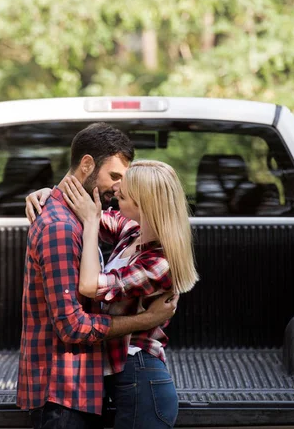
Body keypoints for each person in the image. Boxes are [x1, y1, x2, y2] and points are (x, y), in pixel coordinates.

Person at [17, 123, 178, 429]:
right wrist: (49, 192)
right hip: (65, 390)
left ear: (148, 203)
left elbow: (92, 281)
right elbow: (73, 326)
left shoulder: (154, 254)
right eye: (116, 177)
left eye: (127, 187)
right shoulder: (65, 227)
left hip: (108, 382)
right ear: (87, 164)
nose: (118, 190)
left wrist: (62, 199)